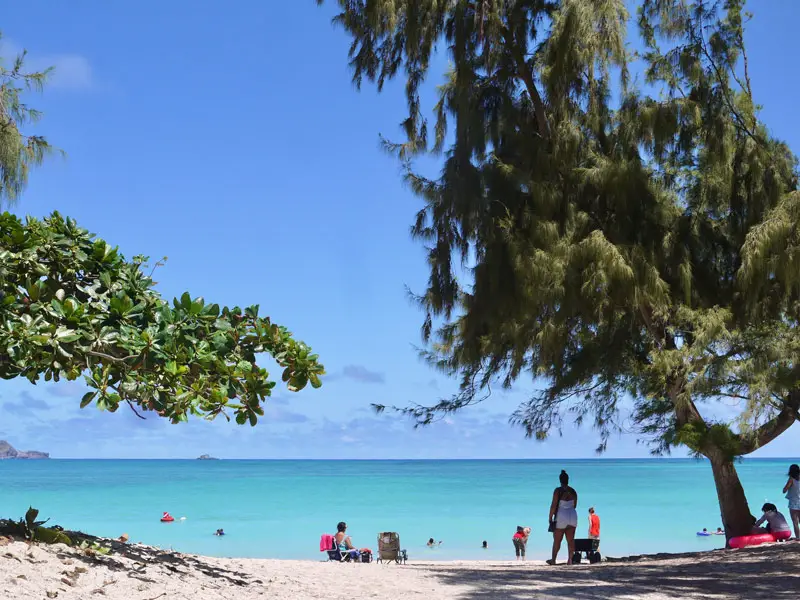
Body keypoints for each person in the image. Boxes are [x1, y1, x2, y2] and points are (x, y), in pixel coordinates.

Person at [547, 470, 578, 566]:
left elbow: (554, 505)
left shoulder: (558, 490)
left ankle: (553, 560)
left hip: (561, 515)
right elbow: (575, 505)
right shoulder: (573, 491)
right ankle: (570, 560)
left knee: (557, 540)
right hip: (572, 515)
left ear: (560, 480)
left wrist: (550, 517)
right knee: (570, 540)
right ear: (568, 480)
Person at [783, 464, 800, 539]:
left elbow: (784, 490)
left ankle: (798, 538)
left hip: (794, 502)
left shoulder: (791, 479)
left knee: (795, 522)